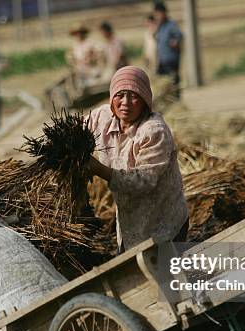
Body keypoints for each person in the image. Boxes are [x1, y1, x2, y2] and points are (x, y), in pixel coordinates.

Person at [87, 66, 189, 253]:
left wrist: (98, 169)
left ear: (144, 100)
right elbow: (78, 126)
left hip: (163, 224)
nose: (125, 102)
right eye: (120, 95)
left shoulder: (154, 131)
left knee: (164, 279)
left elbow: (143, 181)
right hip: (129, 223)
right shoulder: (103, 117)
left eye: (133, 96)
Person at [153, 2, 182, 90]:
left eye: (159, 14)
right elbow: (155, 36)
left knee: (173, 80)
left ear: (164, 13)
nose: (158, 16)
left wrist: (175, 42)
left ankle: (175, 99)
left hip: (171, 58)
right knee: (162, 82)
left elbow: (179, 35)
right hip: (162, 60)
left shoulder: (171, 25)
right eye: (156, 14)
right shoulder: (159, 26)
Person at [66, 23, 100, 88]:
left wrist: (91, 57)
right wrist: (75, 63)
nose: (78, 35)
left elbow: (98, 55)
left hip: (91, 69)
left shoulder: (90, 43)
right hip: (79, 71)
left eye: (80, 32)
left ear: (83, 33)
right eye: (76, 33)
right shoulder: (74, 47)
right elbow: (71, 60)